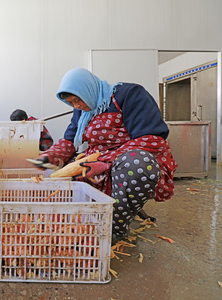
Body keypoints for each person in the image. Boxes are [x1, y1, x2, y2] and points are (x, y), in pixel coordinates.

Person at [28, 68, 177, 244]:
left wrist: (105, 160)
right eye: (71, 103)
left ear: (87, 89)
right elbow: (69, 140)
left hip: (129, 160)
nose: (76, 106)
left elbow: (152, 138)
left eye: (77, 100)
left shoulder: (130, 95)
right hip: (97, 161)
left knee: (138, 164)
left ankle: (115, 227)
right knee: (66, 170)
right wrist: (49, 156)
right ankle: (84, 220)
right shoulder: (83, 110)